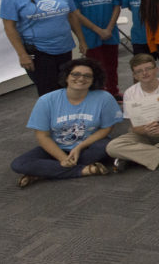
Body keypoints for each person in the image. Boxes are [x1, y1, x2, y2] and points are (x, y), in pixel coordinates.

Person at [10, 58, 120, 187]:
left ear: (93, 80)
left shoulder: (104, 98)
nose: (81, 78)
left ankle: (44, 171)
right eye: (75, 74)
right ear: (66, 77)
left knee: (106, 147)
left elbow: (107, 128)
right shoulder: (46, 101)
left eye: (87, 76)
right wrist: (62, 158)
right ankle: (84, 170)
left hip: (89, 147)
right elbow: (42, 136)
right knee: (19, 164)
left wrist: (79, 147)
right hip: (57, 148)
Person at [1, 0, 87, 96]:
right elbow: (9, 27)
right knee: (49, 92)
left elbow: (72, 16)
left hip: (64, 48)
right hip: (38, 51)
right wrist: (22, 54)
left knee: (67, 86)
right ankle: (53, 117)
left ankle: (68, 115)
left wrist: (82, 40)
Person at [66, 0, 123, 98]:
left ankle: (113, 92)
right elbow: (76, 13)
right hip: (90, 34)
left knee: (112, 65)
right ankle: (101, 96)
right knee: (96, 67)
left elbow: (116, 6)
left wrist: (109, 28)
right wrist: (97, 30)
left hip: (110, 32)